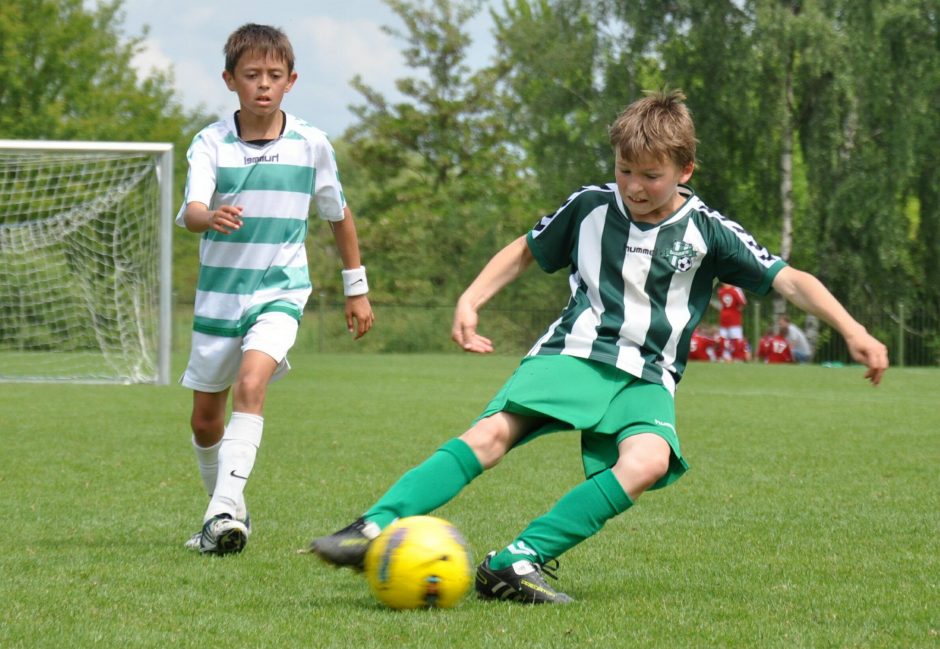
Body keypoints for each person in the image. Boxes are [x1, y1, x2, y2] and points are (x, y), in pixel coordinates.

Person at [303, 90, 887, 603]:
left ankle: (514, 562)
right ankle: (372, 527)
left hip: (649, 374)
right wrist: (470, 299)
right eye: (624, 169)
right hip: (576, 352)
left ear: (684, 169)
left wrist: (853, 330)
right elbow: (526, 249)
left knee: (649, 461)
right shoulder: (589, 206)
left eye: (650, 175)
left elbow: (788, 279)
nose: (634, 186)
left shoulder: (709, 231)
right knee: (492, 435)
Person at [177, 23, 374, 555]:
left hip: (281, 291)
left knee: (252, 384)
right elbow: (192, 209)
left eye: (274, 75)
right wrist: (208, 215)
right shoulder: (209, 143)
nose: (263, 84)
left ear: (291, 80)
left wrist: (356, 289)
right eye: (251, 75)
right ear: (229, 80)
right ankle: (226, 513)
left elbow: (338, 215)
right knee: (203, 421)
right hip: (219, 298)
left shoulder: (312, 144)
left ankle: (219, 512)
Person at [717, 282, 748, 361]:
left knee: (723, 338)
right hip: (734, 318)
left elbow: (721, 302)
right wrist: (738, 309)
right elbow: (743, 302)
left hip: (724, 316)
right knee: (736, 339)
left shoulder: (720, 291)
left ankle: (725, 356)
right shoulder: (735, 290)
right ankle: (737, 357)